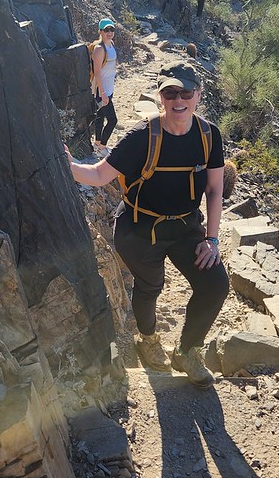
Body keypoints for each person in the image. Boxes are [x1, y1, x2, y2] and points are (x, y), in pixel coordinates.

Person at [65, 61, 229, 389]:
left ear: (197, 94)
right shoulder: (143, 136)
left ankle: (187, 351)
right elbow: (99, 175)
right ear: (160, 96)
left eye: (185, 92)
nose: (178, 99)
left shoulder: (209, 136)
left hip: (185, 227)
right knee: (150, 286)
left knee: (215, 285)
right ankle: (148, 339)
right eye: (170, 92)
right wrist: (65, 165)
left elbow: (214, 189)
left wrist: (211, 239)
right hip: (140, 228)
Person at [91, 17, 118, 155]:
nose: (109, 32)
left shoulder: (111, 44)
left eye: (111, 29)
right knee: (113, 120)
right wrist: (102, 93)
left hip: (109, 88)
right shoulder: (99, 49)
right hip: (102, 90)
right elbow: (97, 73)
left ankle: (97, 144)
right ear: (100, 31)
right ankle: (102, 147)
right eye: (106, 30)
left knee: (100, 117)